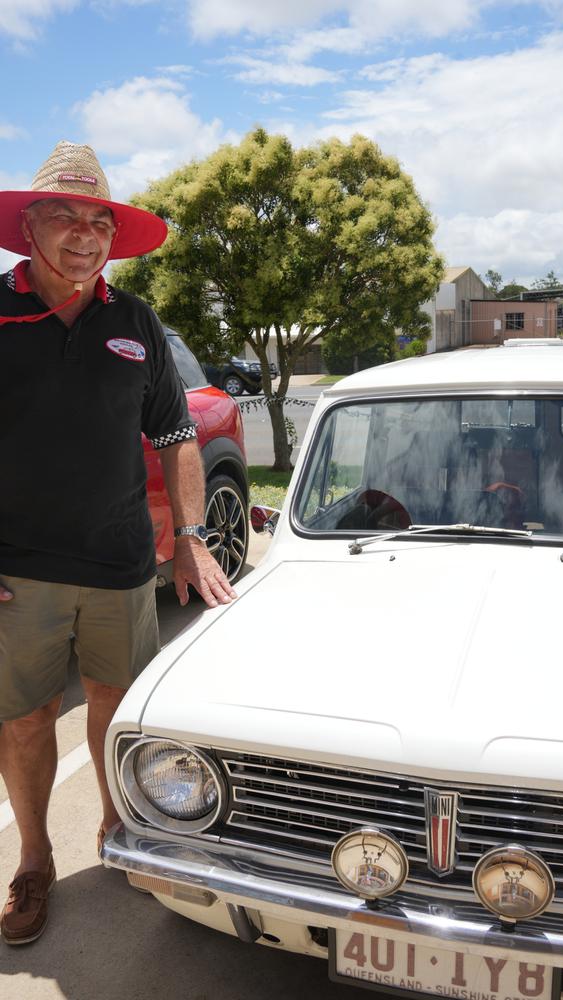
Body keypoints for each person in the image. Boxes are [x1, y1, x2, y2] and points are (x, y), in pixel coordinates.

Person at [0, 141, 236, 945]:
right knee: (28, 720)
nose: (83, 233)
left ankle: (116, 827)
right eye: (63, 216)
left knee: (116, 707)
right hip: (18, 571)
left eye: (98, 219)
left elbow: (176, 438)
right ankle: (33, 861)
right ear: (28, 225)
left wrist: (193, 537)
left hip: (120, 563)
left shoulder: (136, 322)